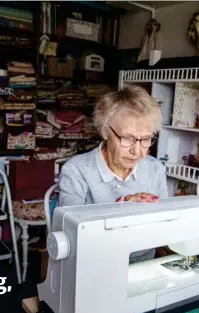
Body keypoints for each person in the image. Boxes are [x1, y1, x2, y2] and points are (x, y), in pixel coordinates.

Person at [58, 85, 168, 263]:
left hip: (145, 262)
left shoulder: (155, 169)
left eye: (146, 139)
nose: (137, 151)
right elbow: (71, 232)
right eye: (127, 138)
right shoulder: (76, 170)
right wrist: (120, 210)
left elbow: (166, 222)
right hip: (95, 261)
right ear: (105, 131)